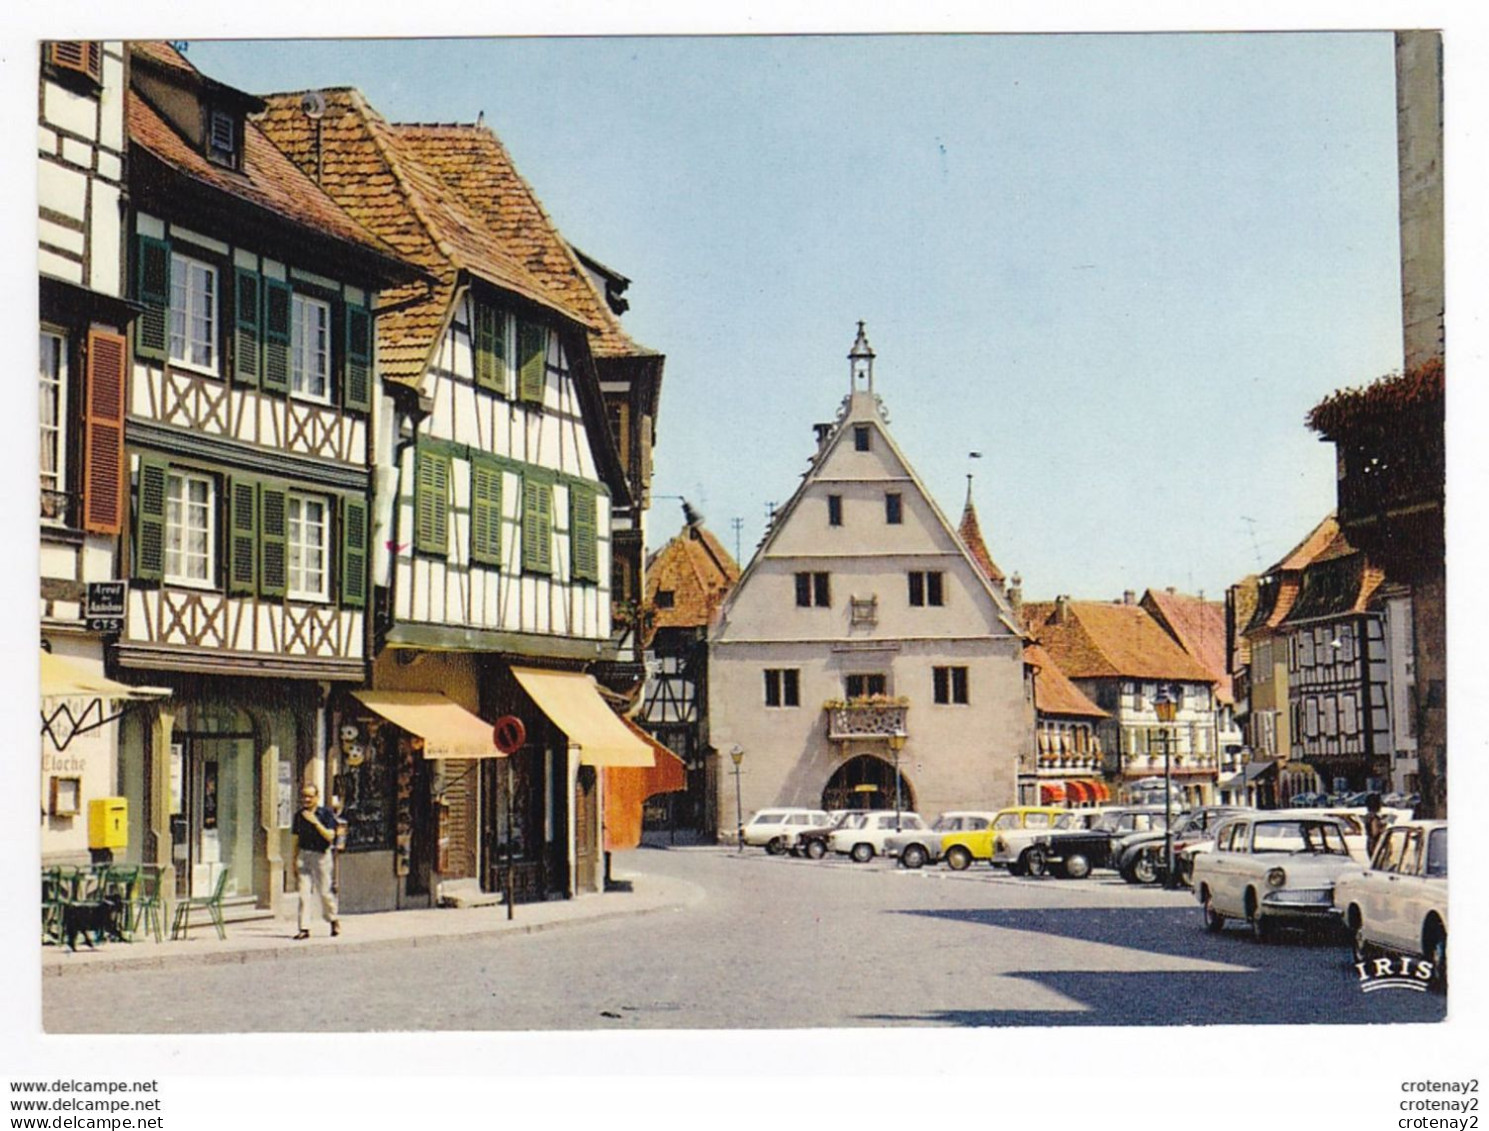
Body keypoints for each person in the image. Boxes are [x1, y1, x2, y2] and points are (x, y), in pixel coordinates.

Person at [293, 784, 341, 939]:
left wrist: (315, 822)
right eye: (304, 796)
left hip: (321, 856)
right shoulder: (299, 816)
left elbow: (330, 836)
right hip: (304, 855)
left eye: (310, 796)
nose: (306, 799)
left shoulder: (325, 814)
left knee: (324, 891)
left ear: (316, 797)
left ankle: (333, 919)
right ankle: (304, 928)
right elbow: (295, 839)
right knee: (303, 893)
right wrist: (294, 859)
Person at [1364, 793, 1388, 860]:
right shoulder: (1374, 817)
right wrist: (1383, 828)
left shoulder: (1368, 816)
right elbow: (1375, 832)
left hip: (1369, 843)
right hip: (1375, 844)